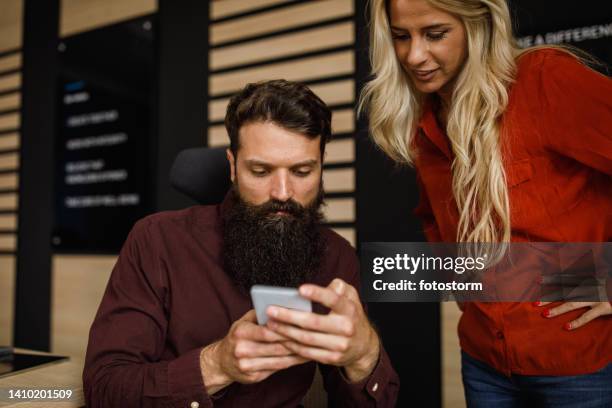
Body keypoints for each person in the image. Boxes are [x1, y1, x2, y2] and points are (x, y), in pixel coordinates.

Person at [83, 79, 399, 407]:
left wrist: (363, 357)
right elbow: (104, 387)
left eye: (302, 171)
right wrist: (216, 364)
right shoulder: (157, 240)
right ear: (233, 167)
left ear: (320, 168)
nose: (282, 192)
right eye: (261, 171)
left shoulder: (337, 257)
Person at [359, 0, 611, 406]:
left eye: (435, 34)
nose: (414, 55)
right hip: (482, 361)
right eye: (401, 36)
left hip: (576, 363)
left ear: (478, 25)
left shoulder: (544, 79)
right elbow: (433, 217)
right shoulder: (425, 119)